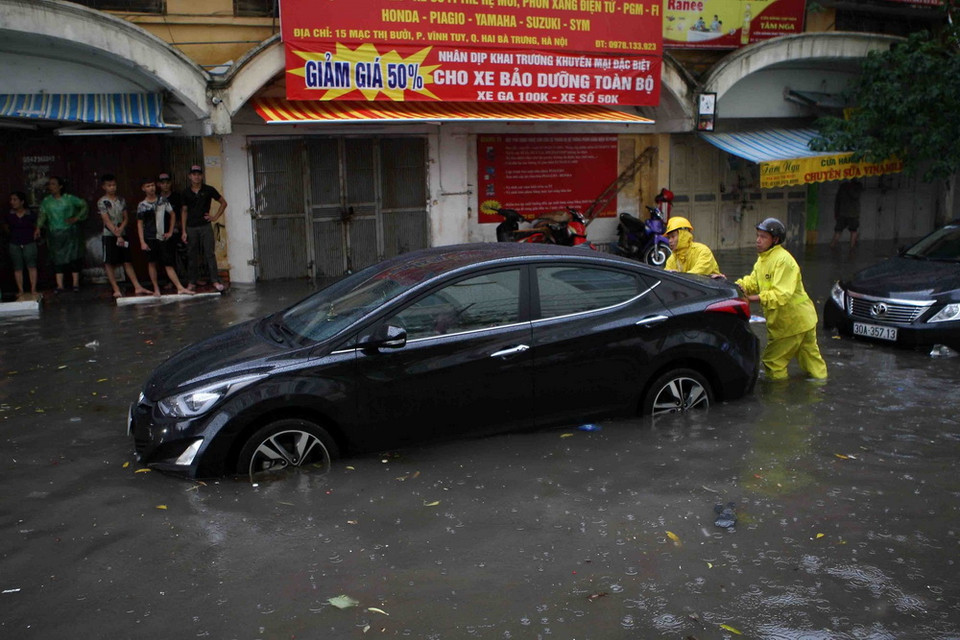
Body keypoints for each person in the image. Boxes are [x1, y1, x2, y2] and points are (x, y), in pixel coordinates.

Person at [719, 218, 828, 381]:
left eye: (763, 237)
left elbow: (781, 294)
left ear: (775, 240)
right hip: (802, 320)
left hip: (791, 322)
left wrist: (753, 298)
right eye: (757, 235)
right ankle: (821, 388)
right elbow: (753, 282)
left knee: (773, 362)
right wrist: (732, 286)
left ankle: (779, 394)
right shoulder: (764, 259)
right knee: (812, 362)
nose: (758, 240)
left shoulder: (783, 260)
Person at [137, 178, 194, 296]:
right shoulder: (142, 205)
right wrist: (142, 241)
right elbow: (140, 224)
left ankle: (179, 287)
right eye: (148, 186)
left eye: (152, 185)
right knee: (152, 263)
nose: (151, 188)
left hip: (162, 237)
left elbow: (172, 214)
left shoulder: (162, 200)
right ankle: (156, 288)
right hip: (149, 238)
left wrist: (170, 231)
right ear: (143, 189)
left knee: (168, 263)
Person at [97, 174, 150, 298]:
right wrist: (116, 233)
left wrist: (121, 229)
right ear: (104, 187)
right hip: (109, 234)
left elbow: (126, 217)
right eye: (109, 185)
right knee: (109, 262)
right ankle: (115, 288)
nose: (112, 187)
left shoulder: (121, 200)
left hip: (122, 232)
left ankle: (137, 286)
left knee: (127, 260)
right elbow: (106, 220)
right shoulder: (102, 201)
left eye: (114, 185)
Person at [181, 164, 227, 292]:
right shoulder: (185, 192)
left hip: (205, 226)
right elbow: (184, 211)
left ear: (202, 176)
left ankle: (215, 280)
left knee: (209, 254)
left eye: (199, 174)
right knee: (192, 255)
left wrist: (215, 217)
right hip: (191, 227)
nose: (196, 177)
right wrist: (184, 231)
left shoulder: (209, 189)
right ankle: (192, 282)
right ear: (190, 176)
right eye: (194, 174)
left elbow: (223, 203)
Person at [38, 176, 87, 293]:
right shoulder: (47, 201)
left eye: (53, 184)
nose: (51, 186)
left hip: (70, 232)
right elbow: (42, 215)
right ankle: (60, 285)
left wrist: (77, 218)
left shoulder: (69, 199)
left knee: (73, 257)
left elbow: (83, 205)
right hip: (55, 233)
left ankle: (75, 283)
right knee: (57, 259)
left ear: (60, 186)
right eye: (50, 184)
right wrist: (38, 227)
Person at [6, 191, 40, 299]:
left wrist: (36, 232)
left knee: (31, 266)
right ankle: (20, 290)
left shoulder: (30, 214)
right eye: (11, 200)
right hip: (15, 243)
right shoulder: (10, 215)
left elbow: (37, 226)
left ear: (22, 201)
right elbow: (6, 228)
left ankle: (33, 289)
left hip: (29, 242)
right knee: (18, 267)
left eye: (15, 200)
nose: (12, 202)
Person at [157, 171, 187, 283]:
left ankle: (189, 279)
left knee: (184, 255)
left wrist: (181, 226)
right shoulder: (157, 198)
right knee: (167, 257)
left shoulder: (177, 196)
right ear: (159, 184)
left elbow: (183, 211)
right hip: (162, 231)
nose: (165, 185)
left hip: (177, 229)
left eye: (167, 183)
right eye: (162, 183)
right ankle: (170, 281)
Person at [831, 178, 862, 249]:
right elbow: (855, 196)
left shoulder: (845, 186)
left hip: (846, 213)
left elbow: (837, 200)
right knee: (851, 231)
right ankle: (851, 250)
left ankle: (833, 247)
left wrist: (836, 212)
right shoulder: (855, 186)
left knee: (840, 231)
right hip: (850, 213)